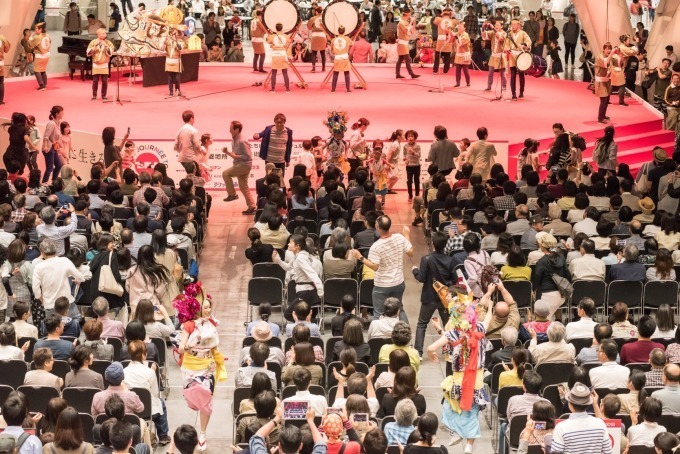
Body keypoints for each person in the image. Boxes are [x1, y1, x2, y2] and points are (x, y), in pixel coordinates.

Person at [426, 280, 494, 453]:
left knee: (449, 406)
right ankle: (469, 445)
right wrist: (491, 307)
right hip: (477, 380)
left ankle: (455, 432)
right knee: (472, 412)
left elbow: (430, 347)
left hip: (458, 379)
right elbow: (487, 319)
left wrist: (431, 354)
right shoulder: (479, 328)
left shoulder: (451, 333)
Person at [176, 283, 226, 451]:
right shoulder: (189, 325)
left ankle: (203, 433)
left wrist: (218, 358)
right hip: (190, 366)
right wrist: (190, 345)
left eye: (209, 307)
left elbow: (214, 347)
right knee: (193, 400)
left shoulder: (212, 324)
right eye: (205, 307)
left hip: (207, 367)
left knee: (206, 400)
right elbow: (181, 347)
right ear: (197, 308)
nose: (208, 310)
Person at [352, 215, 413, 321]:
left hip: (382, 285)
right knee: (399, 309)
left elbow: (374, 267)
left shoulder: (376, 246)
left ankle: (377, 335)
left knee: (378, 312)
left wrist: (360, 257)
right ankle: (404, 333)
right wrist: (407, 235)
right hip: (398, 282)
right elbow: (411, 252)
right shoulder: (399, 237)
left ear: (378, 227)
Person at [412, 232, 454, 356]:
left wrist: (414, 270)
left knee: (422, 324)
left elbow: (421, 278)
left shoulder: (426, 259)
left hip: (429, 296)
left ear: (433, 244)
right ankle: (449, 349)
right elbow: (454, 280)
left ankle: (418, 353)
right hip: (445, 297)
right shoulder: (450, 260)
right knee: (448, 324)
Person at [123, 340, 171, 445]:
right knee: (161, 403)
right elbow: (155, 393)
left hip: (130, 410)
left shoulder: (124, 371)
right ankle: (163, 435)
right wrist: (153, 373)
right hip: (149, 411)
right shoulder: (149, 372)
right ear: (144, 356)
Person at [221, 120, 255, 214]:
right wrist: (227, 152)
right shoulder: (234, 139)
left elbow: (248, 156)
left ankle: (232, 194)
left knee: (225, 173)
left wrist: (236, 156)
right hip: (240, 165)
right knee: (244, 187)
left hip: (244, 165)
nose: (229, 130)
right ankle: (252, 206)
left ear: (237, 129)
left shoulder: (242, 141)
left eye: (231, 129)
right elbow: (235, 155)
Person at [505, 18, 532, 100]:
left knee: (521, 75)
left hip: (520, 55)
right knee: (512, 75)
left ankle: (521, 92)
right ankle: (513, 94)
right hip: (512, 55)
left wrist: (524, 44)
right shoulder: (509, 34)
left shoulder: (523, 33)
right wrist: (507, 49)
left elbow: (529, 41)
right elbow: (506, 44)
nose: (512, 26)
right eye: (511, 24)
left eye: (514, 24)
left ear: (519, 25)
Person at [87, 28, 114, 101]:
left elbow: (111, 53)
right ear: (98, 34)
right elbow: (88, 53)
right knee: (95, 81)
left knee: (105, 81)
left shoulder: (108, 42)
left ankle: (104, 95)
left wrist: (106, 46)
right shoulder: (93, 42)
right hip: (96, 64)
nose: (105, 35)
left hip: (104, 64)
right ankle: (94, 95)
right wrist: (94, 47)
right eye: (103, 33)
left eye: (105, 33)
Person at [483, 20, 507, 93]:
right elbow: (484, 34)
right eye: (495, 25)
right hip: (493, 55)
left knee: (502, 73)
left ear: (502, 26)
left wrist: (493, 28)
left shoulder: (504, 33)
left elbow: (500, 38)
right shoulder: (493, 32)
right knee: (490, 72)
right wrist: (484, 27)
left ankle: (504, 87)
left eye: (498, 25)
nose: (496, 26)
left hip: (500, 55)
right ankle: (489, 86)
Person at [395, 9, 420, 79]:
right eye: (410, 14)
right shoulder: (401, 23)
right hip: (402, 42)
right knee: (407, 59)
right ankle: (411, 74)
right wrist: (411, 22)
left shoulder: (405, 22)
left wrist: (413, 23)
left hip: (404, 42)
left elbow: (412, 31)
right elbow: (406, 31)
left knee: (400, 59)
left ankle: (398, 73)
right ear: (407, 15)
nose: (410, 16)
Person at [42, 106, 64, 183]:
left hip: (53, 147)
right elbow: (46, 136)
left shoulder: (58, 123)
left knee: (58, 165)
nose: (63, 114)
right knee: (49, 168)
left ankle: (54, 181)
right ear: (57, 114)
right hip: (48, 148)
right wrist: (45, 146)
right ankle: (44, 183)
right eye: (62, 112)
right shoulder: (52, 124)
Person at [267, 23, 291, 93]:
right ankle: (287, 89)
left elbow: (268, 40)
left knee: (274, 72)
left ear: (276, 28)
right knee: (285, 72)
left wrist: (270, 33)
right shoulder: (285, 36)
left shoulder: (273, 36)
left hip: (275, 55)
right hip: (283, 54)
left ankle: (273, 89)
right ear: (282, 28)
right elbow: (289, 42)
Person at [329, 26, 354, 92]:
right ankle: (348, 88)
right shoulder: (347, 39)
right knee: (346, 72)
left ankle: (333, 89)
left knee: (335, 73)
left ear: (338, 31)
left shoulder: (333, 40)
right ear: (344, 31)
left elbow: (331, 50)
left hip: (337, 58)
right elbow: (352, 44)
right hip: (344, 57)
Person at [594, 42, 613, 123]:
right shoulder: (600, 57)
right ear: (603, 49)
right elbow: (605, 63)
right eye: (607, 49)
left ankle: (603, 115)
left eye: (610, 49)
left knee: (607, 98)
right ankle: (600, 118)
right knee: (603, 100)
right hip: (600, 81)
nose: (608, 50)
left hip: (607, 80)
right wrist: (612, 53)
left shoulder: (609, 57)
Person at [432, 7, 455, 75]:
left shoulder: (439, 19)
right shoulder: (452, 21)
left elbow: (434, 21)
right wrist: (452, 16)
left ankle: (435, 70)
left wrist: (441, 15)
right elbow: (455, 23)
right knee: (447, 56)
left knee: (437, 56)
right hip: (448, 40)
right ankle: (445, 71)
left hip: (440, 41)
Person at [28, 22, 50, 91]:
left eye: (36, 28)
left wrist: (31, 36)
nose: (35, 30)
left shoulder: (38, 37)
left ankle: (42, 85)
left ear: (41, 29)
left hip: (40, 56)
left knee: (36, 70)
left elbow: (31, 44)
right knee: (43, 70)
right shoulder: (47, 35)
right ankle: (45, 84)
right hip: (47, 55)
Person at [165, 28, 184, 97]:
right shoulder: (167, 41)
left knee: (177, 78)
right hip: (169, 60)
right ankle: (171, 91)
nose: (175, 35)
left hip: (176, 61)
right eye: (174, 33)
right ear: (170, 34)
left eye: (176, 34)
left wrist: (176, 41)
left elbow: (180, 48)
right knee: (170, 77)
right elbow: (161, 47)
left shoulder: (180, 41)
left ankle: (177, 90)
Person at [307, 7, 326, 72]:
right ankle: (323, 68)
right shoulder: (324, 18)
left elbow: (309, 27)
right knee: (322, 52)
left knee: (314, 53)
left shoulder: (313, 18)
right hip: (323, 35)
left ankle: (313, 68)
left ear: (316, 12)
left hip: (315, 35)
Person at [453, 22, 471, 87]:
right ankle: (458, 83)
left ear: (464, 28)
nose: (459, 27)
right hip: (458, 54)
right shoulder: (457, 34)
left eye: (460, 26)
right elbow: (451, 40)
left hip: (465, 54)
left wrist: (456, 36)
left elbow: (461, 43)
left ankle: (468, 82)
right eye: (458, 26)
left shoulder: (466, 35)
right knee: (457, 70)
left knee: (465, 70)